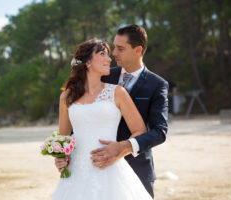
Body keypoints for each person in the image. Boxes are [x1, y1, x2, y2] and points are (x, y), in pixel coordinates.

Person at [55, 25, 169, 198]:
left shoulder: (156, 85)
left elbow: (159, 132)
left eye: (120, 49)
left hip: (133, 168)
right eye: (110, 49)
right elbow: (72, 128)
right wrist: (61, 155)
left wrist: (122, 148)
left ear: (137, 50)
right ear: (87, 63)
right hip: (79, 169)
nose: (113, 54)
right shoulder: (102, 74)